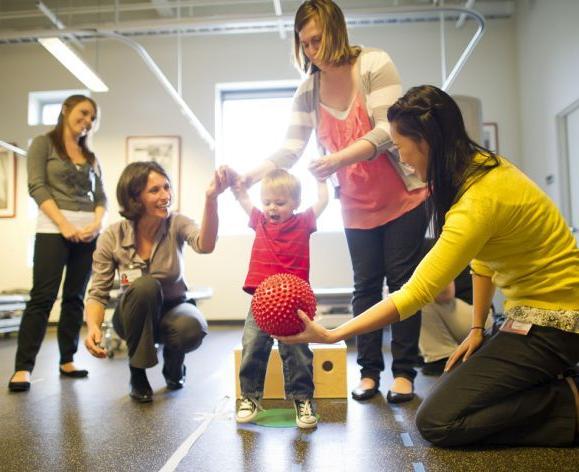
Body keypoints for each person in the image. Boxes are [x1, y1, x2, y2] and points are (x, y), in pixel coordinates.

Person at [276, 85, 579, 447]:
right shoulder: (480, 169)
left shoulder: (477, 200)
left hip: (557, 322)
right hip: (524, 316)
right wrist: (478, 327)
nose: (403, 160)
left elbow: (416, 292)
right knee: (467, 396)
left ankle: (570, 404)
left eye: (402, 149)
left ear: (425, 141)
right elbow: (483, 261)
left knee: (439, 423)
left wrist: (332, 335)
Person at [236, 0, 428, 404]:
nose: (312, 50)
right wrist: (249, 176)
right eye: (304, 44)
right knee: (365, 289)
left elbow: (386, 130)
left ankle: (405, 372)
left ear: (337, 31)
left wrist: (337, 159)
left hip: (404, 196)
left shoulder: (374, 64)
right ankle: (370, 372)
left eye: (317, 40)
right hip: (357, 204)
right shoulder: (309, 91)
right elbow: (290, 147)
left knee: (403, 284)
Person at [84, 161, 230, 402]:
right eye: (155, 190)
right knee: (144, 286)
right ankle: (137, 373)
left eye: (167, 187)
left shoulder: (177, 223)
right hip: (132, 315)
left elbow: (206, 244)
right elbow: (97, 293)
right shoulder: (112, 236)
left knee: (191, 328)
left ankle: (174, 366)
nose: (166, 196)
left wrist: (211, 199)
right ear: (134, 198)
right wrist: (93, 328)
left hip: (174, 308)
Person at [8, 95, 107, 392]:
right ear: (65, 110)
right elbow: (36, 186)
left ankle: (67, 359)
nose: (88, 121)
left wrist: (95, 224)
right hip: (53, 230)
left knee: (75, 298)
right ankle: (23, 368)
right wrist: (64, 225)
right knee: (43, 297)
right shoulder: (43, 144)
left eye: (93, 117)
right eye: (84, 113)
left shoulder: (90, 157)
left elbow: (101, 197)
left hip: (88, 234)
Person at [232, 168, 328, 429]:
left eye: (280, 203)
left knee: (297, 351)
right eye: (267, 202)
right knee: (252, 345)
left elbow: (322, 202)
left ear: (295, 203)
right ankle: (250, 397)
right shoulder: (260, 221)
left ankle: (302, 400)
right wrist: (239, 187)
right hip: (261, 303)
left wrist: (321, 180)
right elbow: (243, 200)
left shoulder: (303, 222)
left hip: (295, 306)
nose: (272, 208)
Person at [418, 237, 493, 376]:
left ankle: (442, 357)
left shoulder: (429, 246)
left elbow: (446, 294)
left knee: (419, 299)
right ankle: (438, 353)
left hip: (480, 319)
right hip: (460, 317)